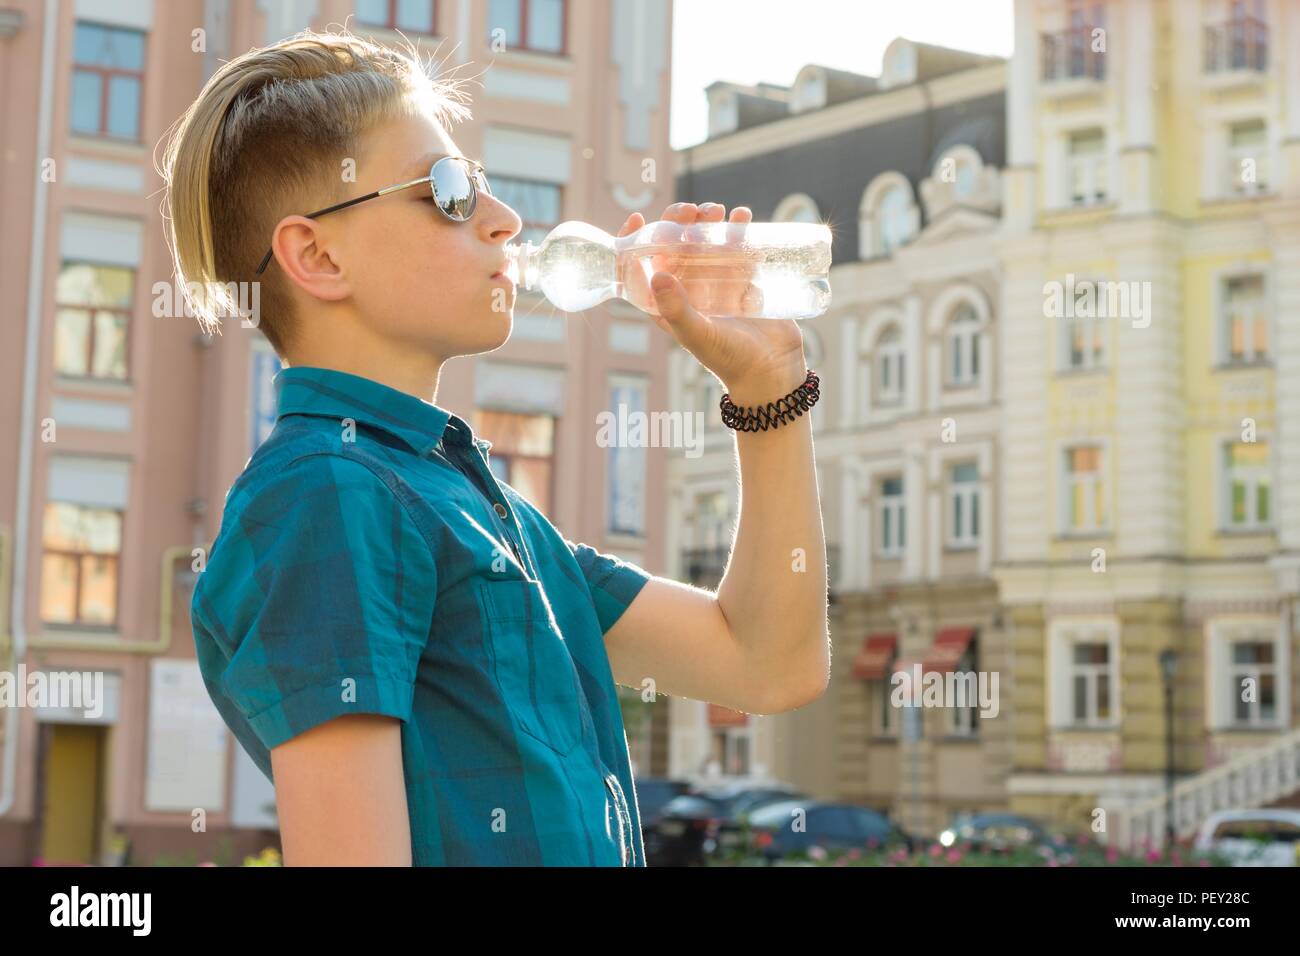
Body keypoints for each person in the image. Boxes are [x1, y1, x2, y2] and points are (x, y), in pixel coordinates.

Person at [162, 28, 828, 866]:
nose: (506, 220)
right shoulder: (325, 493)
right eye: (448, 193)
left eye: (480, 186)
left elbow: (767, 663)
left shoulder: (479, 506)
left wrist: (768, 389)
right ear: (317, 254)